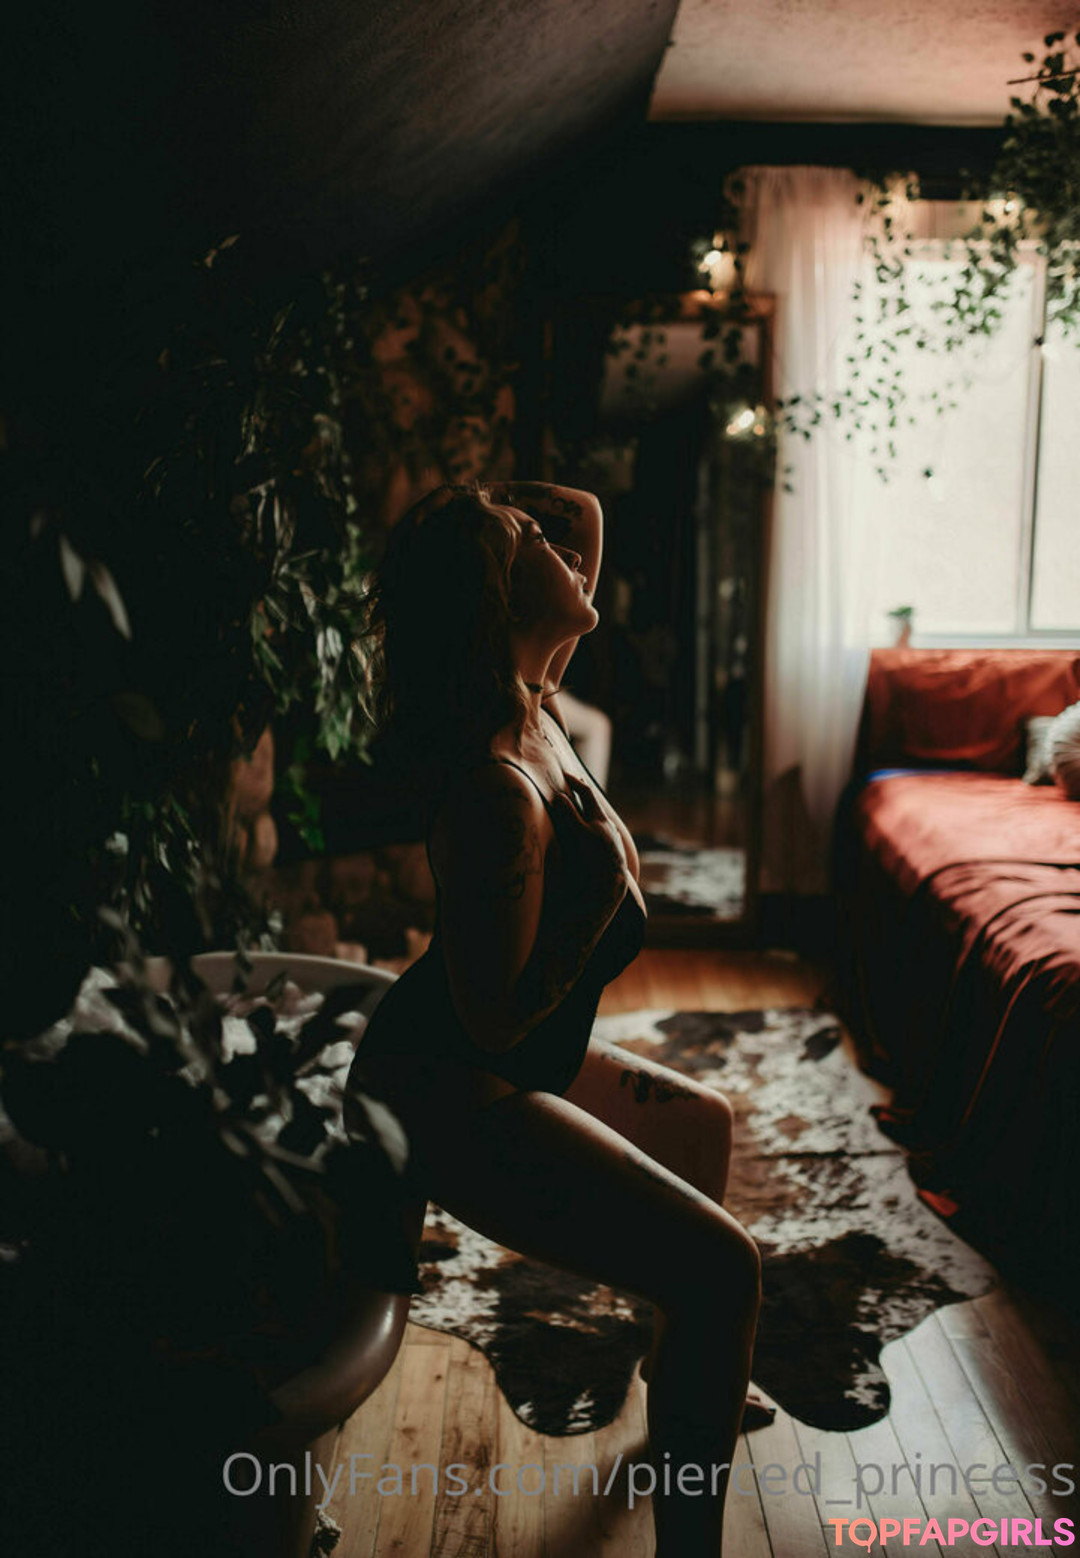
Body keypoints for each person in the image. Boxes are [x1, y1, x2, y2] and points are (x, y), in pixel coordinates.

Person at [349, 480, 762, 1557]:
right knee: (724, 1270)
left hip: (512, 1055)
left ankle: (682, 1370)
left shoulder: (536, 695)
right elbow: (491, 1023)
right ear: (499, 599)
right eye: (533, 540)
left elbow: (582, 513)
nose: (568, 549)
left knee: (705, 1125)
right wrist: (602, 900)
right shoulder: (498, 792)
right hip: (456, 1090)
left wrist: (493, 512)